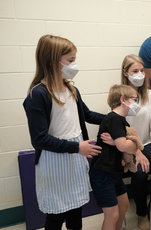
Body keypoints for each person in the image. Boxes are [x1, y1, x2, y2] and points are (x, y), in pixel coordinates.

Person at [23, 34, 105, 230]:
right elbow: (39, 139)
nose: (74, 65)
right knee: (56, 214)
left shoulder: (71, 89)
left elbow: (87, 114)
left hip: (75, 158)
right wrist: (77, 147)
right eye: (71, 60)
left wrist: (117, 118)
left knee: (76, 210)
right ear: (53, 61)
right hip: (54, 161)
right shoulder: (38, 95)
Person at [121, 54, 151, 230]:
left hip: (148, 142)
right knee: (139, 171)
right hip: (129, 145)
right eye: (134, 71)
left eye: (141, 70)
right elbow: (120, 129)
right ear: (125, 73)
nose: (139, 74)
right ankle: (142, 214)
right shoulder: (120, 96)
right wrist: (136, 153)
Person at [89, 84, 140, 230]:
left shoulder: (122, 120)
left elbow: (128, 145)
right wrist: (130, 144)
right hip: (103, 172)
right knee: (112, 215)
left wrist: (126, 144)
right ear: (123, 99)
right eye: (135, 99)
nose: (137, 103)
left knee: (124, 206)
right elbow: (124, 146)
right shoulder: (114, 118)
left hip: (114, 172)